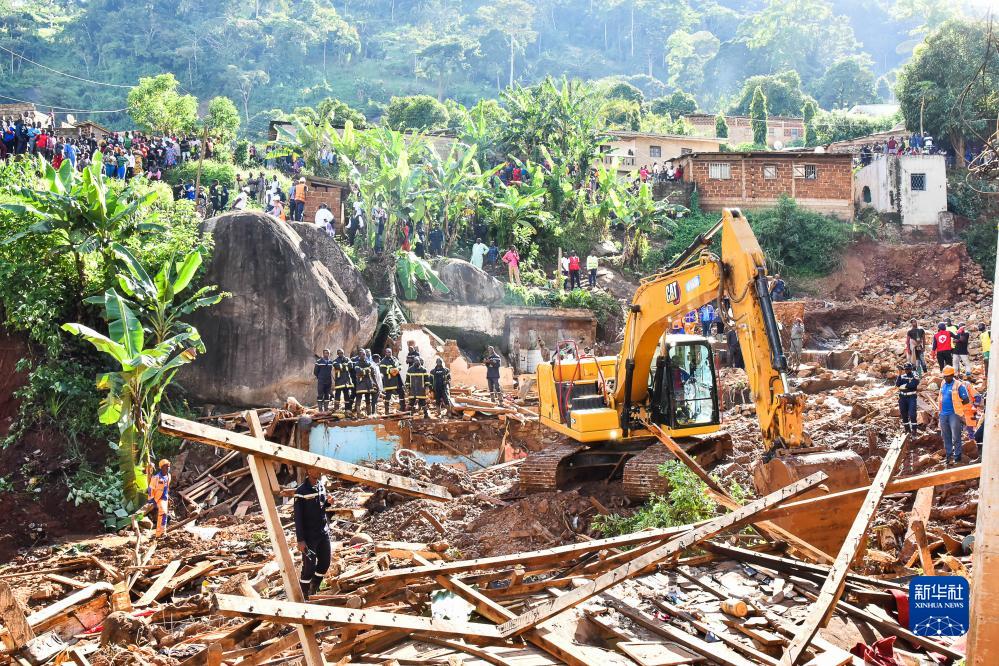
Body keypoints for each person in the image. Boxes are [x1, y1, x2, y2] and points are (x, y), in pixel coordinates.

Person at [293, 467, 331, 598]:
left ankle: (313, 590)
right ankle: (303, 596)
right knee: (309, 568)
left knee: (325, 563)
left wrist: (328, 503)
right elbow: (298, 518)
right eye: (315, 469)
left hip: (323, 533)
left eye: (320, 469)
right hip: (309, 538)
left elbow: (321, 506)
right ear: (308, 471)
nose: (319, 471)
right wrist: (300, 540)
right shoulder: (301, 491)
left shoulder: (321, 486)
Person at [939, 365, 971, 465]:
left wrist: (959, 411)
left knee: (956, 436)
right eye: (944, 376)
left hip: (954, 414)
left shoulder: (959, 385)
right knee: (946, 436)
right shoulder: (943, 383)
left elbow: (966, 400)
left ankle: (957, 457)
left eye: (947, 376)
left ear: (952, 375)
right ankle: (949, 456)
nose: (945, 378)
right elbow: (941, 397)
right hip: (943, 414)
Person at [147, 459, 171, 537]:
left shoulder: (168, 476)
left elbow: (167, 487)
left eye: (168, 466)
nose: (168, 468)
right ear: (162, 467)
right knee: (163, 513)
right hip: (158, 498)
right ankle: (159, 533)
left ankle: (162, 532)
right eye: (166, 466)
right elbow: (151, 489)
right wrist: (151, 499)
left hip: (165, 498)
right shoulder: (156, 477)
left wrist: (168, 496)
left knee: (164, 514)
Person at [379, 348, 406, 414]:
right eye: (387, 352)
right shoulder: (383, 361)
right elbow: (382, 370)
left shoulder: (395, 359)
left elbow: (400, 365)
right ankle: (386, 411)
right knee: (388, 396)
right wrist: (390, 371)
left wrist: (398, 369)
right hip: (389, 381)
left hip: (397, 380)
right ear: (385, 353)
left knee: (401, 393)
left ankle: (402, 408)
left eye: (390, 352)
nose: (389, 353)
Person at [895, 363, 919, 434]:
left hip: (911, 397)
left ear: (911, 369)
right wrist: (899, 374)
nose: (907, 371)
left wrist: (905, 386)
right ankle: (907, 429)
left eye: (908, 369)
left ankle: (914, 430)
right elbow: (897, 384)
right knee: (903, 413)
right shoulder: (902, 376)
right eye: (905, 369)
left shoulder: (914, 375)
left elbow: (914, 383)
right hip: (902, 397)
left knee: (912, 414)